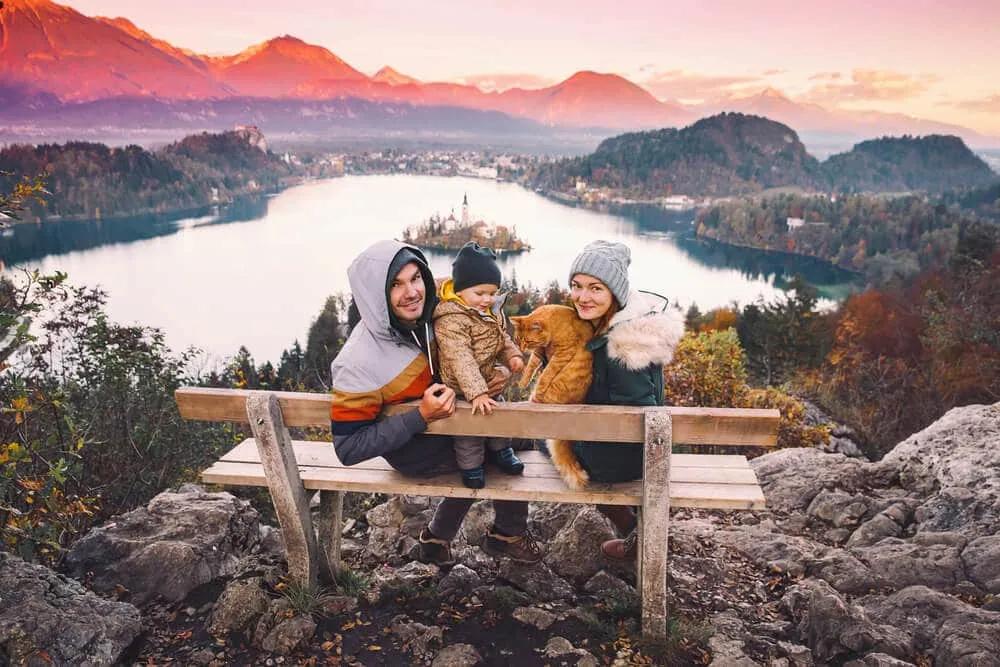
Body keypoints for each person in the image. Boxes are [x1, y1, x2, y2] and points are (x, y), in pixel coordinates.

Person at [329, 239, 541, 565]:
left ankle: (436, 539)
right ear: (374, 294)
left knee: (488, 440)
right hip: (418, 452)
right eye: (396, 285)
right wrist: (420, 416)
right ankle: (507, 534)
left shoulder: (434, 312)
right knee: (508, 446)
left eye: (416, 278)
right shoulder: (357, 361)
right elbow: (348, 448)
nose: (412, 292)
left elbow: (479, 313)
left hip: (453, 424)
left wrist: (495, 371)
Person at [566, 240, 684, 559]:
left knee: (550, 444)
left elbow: (641, 414)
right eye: (576, 286)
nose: (582, 296)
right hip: (636, 451)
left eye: (595, 288)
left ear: (615, 292)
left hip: (624, 458)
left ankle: (638, 533)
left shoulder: (623, 348)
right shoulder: (629, 326)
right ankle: (637, 533)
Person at [433, 241, 527, 489]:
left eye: (492, 292)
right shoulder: (451, 319)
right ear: (461, 290)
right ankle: (471, 467)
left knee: (498, 417)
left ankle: (503, 451)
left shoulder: (487, 311)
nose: (487, 299)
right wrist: (477, 393)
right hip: (461, 388)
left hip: (486, 381)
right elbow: (460, 357)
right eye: (480, 293)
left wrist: (512, 355)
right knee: (469, 429)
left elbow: (500, 336)